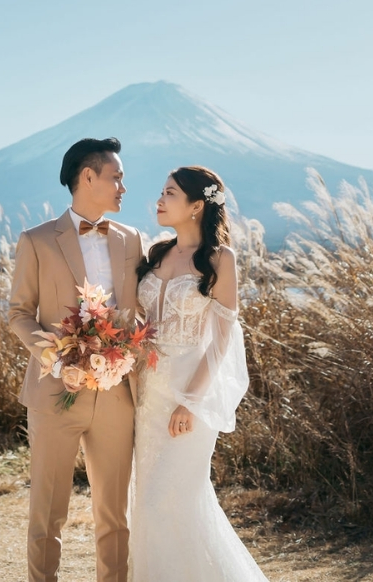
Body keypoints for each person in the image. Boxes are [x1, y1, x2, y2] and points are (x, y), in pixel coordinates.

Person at [7, 137, 146, 582]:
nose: (123, 186)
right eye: (116, 177)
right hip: (54, 391)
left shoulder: (131, 239)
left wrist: (126, 352)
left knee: (115, 515)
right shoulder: (37, 240)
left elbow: (137, 312)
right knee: (48, 513)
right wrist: (56, 356)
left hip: (117, 394)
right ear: (88, 177)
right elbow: (18, 314)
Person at [131, 166, 268, 581]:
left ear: (195, 206)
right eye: (161, 191)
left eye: (169, 193)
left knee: (169, 499)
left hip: (189, 390)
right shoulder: (155, 253)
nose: (159, 199)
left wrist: (190, 400)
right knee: (146, 504)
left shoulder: (219, 259)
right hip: (147, 393)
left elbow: (223, 336)